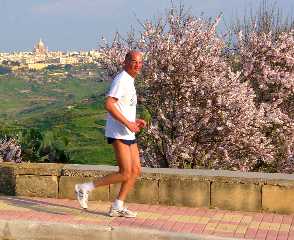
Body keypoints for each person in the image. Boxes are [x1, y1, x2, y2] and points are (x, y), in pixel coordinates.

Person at [75, 50, 146, 218]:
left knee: (135, 170)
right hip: (118, 132)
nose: (137, 65)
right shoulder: (122, 79)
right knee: (125, 172)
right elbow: (108, 104)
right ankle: (85, 188)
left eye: (140, 62)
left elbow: (121, 106)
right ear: (125, 62)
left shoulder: (130, 81)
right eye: (134, 61)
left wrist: (134, 121)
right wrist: (128, 123)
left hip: (128, 132)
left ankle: (118, 206)